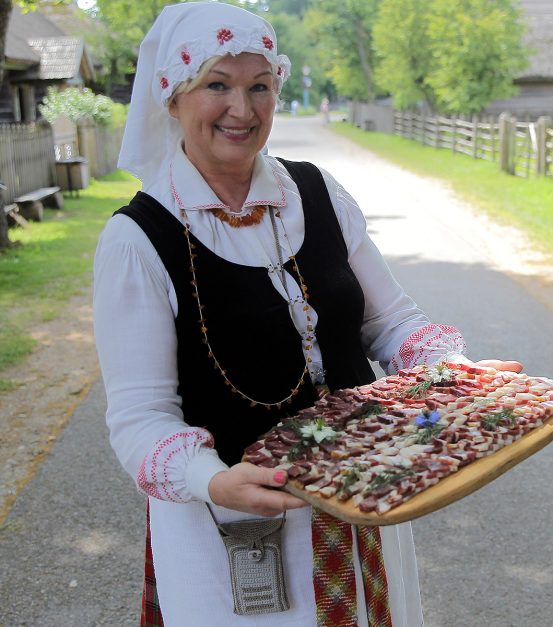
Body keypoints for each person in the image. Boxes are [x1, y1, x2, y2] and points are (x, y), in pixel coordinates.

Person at [92, 4, 520, 625]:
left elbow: (393, 324)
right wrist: (213, 481)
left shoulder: (316, 192)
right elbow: (140, 418)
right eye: (218, 85)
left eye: (259, 86)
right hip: (236, 529)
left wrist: (460, 374)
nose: (242, 109)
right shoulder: (138, 241)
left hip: (363, 502)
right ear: (174, 97)